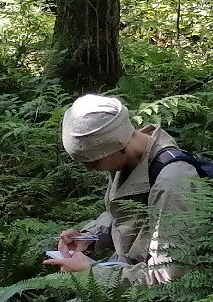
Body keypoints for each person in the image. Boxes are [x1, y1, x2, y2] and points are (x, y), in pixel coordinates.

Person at [45, 93, 197, 285]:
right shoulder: (130, 159)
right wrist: (90, 237)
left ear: (117, 145)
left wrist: (93, 273)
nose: (90, 169)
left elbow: (171, 274)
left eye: (94, 161)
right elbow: (123, 210)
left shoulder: (172, 182)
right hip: (125, 277)